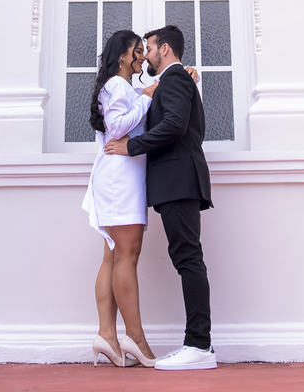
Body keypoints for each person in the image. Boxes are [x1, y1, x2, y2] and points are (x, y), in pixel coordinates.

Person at [104, 24, 216, 371]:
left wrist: (130, 146)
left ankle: (198, 345)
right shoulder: (176, 80)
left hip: (179, 180)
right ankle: (198, 344)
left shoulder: (177, 78)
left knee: (188, 258)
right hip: (175, 181)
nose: (146, 55)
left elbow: (175, 125)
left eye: (149, 48)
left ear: (164, 49)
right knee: (186, 257)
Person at [83, 30, 158, 368]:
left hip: (118, 175)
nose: (142, 57)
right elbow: (117, 128)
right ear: (123, 55)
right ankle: (135, 338)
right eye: (138, 51)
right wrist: (147, 97)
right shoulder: (117, 85)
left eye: (144, 50)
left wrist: (143, 92)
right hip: (120, 177)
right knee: (126, 255)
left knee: (114, 258)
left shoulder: (119, 86)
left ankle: (107, 336)